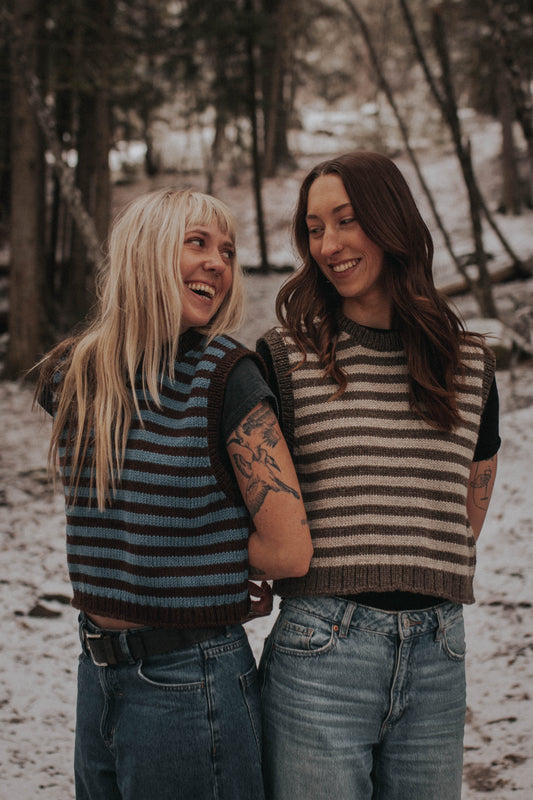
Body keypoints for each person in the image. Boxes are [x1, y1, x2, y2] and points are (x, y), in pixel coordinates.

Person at [34, 187, 312, 800]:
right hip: (97, 672)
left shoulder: (225, 376)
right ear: (145, 254)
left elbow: (289, 550)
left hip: (192, 681)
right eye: (197, 243)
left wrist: (198, 562)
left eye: (228, 252)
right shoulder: (78, 375)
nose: (219, 261)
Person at [256, 151, 500, 800]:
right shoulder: (285, 358)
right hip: (322, 650)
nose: (328, 244)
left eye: (345, 220)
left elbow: (469, 498)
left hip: (438, 653)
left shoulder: (469, 363)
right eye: (313, 228)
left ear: (390, 223)